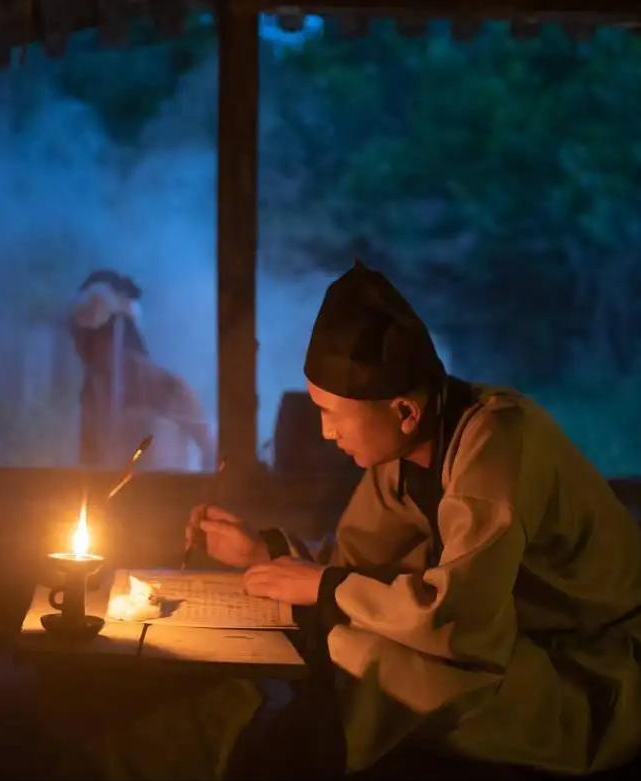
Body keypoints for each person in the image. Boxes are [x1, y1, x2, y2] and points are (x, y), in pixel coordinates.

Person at [180, 260, 641, 777]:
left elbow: (458, 619)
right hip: (515, 642)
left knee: (364, 657)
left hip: (593, 668)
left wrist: (327, 587)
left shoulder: (496, 442)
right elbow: (352, 567)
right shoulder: (404, 456)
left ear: (404, 412)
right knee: (347, 640)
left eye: (332, 414)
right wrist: (261, 553)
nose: (326, 433)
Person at [70, 270, 215, 472]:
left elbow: (212, 454)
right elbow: (88, 465)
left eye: (91, 341)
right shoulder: (92, 395)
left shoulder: (169, 388)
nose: (82, 352)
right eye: (80, 340)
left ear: (119, 337)